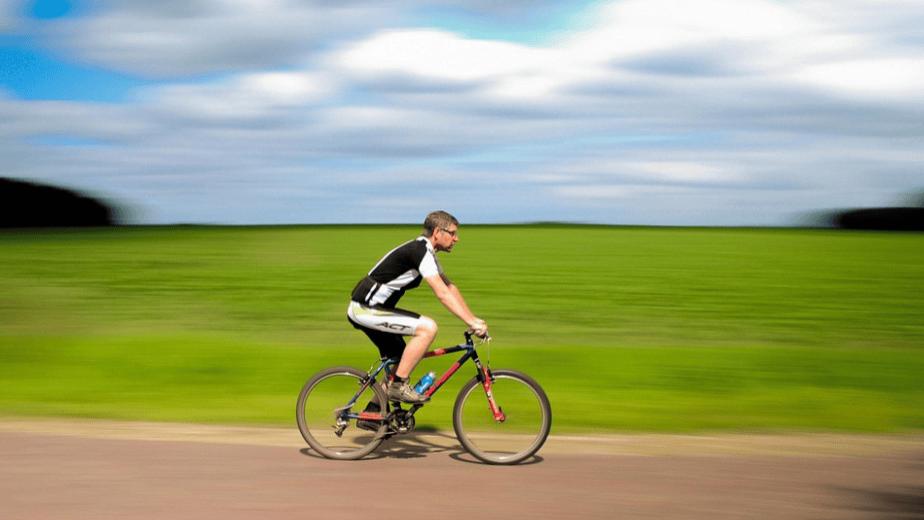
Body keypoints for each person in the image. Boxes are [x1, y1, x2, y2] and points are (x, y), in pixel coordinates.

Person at [347, 210, 488, 404]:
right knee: (428, 328)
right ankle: (398, 386)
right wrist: (470, 321)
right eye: (453, 233)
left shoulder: (427, 252)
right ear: (438, 232)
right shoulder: (420, 251)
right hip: (364, 309)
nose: (457, 239)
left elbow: (450, 288)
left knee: (400, 360)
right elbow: (442, 294)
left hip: (374, 309)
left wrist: (473, 319)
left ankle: (373, 413)